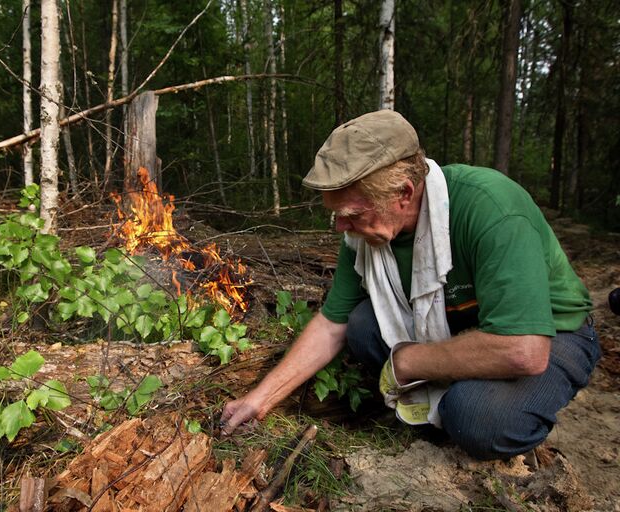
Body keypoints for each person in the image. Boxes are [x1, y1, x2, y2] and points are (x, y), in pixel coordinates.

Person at [220, 110, 601, 460]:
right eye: (335, 215)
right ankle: (440, 403)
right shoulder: (363, 236)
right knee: (363, 326)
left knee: (475, 417)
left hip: (552, 333)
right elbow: (331, 324)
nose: (339, 228)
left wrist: (408, 362)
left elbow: (525, 349)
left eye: (351, 214)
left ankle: (489, 413)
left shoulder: (489, 207)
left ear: (403, 192)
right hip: (460, 325)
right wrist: (260, 399)